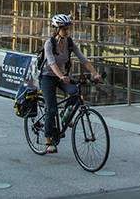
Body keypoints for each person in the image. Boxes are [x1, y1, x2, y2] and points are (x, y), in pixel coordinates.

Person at [39, 13, 101, 152]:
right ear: (56, 29)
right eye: (64, 28)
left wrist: (95, 73)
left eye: (68, 28)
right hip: (47, 77)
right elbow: (52, 63)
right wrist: (61, 76)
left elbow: (83, 59)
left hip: (62, 76)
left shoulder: (70, 43)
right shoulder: (49, 43)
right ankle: (48, 140)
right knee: (52, 107)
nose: (67, 31)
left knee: (75, 92)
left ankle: (65, 114)